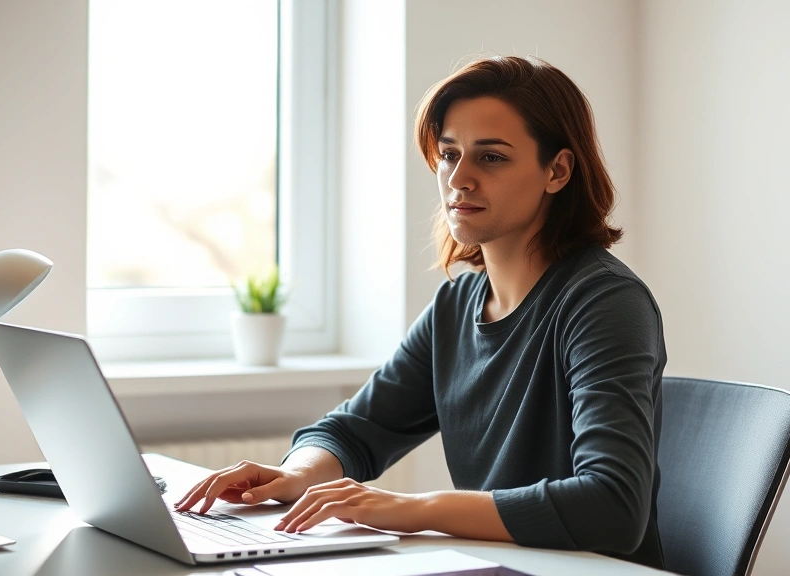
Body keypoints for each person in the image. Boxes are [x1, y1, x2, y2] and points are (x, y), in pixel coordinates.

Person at [175, 55, 667, 569]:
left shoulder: (604, 302)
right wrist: (299, 474)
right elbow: (351, 430)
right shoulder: (456, 306)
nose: (459, 179)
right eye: (449, 154)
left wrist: (415, 509)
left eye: (491, 157)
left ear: (557, 171)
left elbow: (613, 505)